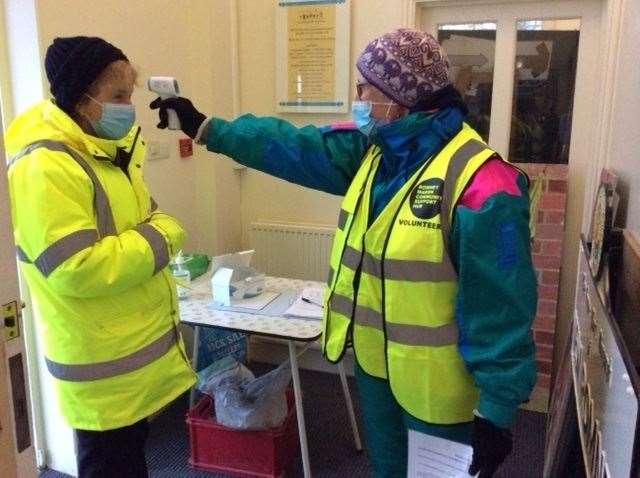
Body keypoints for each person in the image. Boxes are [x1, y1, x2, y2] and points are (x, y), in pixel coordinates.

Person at [152, 28, 537, 478]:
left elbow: (502, 309)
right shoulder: (374, 153)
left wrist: (496, 410)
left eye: (364, 88)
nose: (356, 97)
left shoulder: (484, 185)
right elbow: (292, 146)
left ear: (398, 96)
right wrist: (205, 127)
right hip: (375, 372)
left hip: (442, 394)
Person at [6, 36, 195, 478]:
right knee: (110, 466)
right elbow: (76, 267)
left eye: (129, 95)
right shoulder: (45, 165)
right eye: (118, 97)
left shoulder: (106, 152)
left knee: (129, 461)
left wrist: (156, 230)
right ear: (81, 98)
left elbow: (148, 215)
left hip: (126, 357)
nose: (128, 109)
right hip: (99, 366)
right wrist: (162, 240)